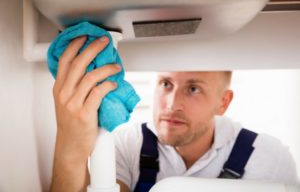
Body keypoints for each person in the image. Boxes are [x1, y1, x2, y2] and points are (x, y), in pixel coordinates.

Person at [50, 36, 298, 192]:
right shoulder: (127, 145)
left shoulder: (269, 159)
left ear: (223, 102)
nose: (172, 104)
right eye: (166, 84)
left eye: (193, 89)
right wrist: (69, 149)